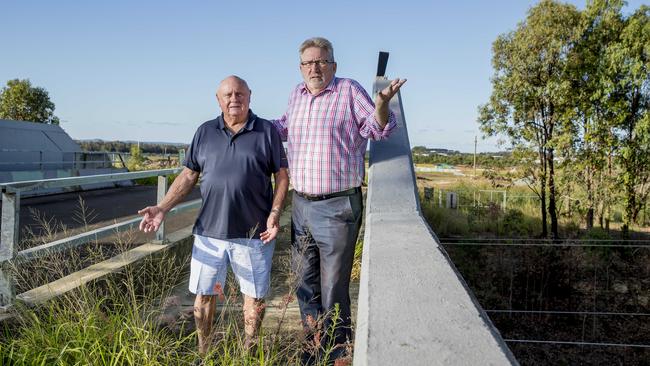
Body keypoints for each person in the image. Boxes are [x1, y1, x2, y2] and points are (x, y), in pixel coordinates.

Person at [271, 37, 406, 364]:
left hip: (337, 208)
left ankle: (337, 355)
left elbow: (378, 129)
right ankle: (312, 349)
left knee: (333, 291)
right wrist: (247, 124)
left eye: (321, 61)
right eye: (308, 63)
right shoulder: (296, 95)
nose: (314, 68)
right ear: (301, 67)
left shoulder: (348, 91)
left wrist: (383, 103)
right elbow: (281, 128)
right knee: (304, 285)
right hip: (301, 205)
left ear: (333, 64)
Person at [138, 75, 289, 356]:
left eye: (240, 93)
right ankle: (204, 353)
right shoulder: (204, 132)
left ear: (250, 96)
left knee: (253, 299)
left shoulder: (266, 131)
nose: (234, 99)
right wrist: (162, 208)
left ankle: (249, 354)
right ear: (218, 100)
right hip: (209, 232)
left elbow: (282, 176)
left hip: (254, 233)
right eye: (228, 95)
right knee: (203, 297)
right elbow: (188, 175)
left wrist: (275, 212)